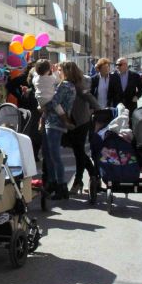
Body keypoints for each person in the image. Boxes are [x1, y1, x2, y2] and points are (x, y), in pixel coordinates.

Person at [42, 61, 81, 200]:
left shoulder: (65, 85)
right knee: (50, 155)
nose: (58, 71)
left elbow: (54, 102)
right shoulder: (70, 86)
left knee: (54, 156)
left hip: (55, 122)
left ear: (66, 71)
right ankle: (54, 182)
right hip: (55, 122)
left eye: (59, 69)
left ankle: (61, 185)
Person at [65, 74, 100, 195]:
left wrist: (98, 109)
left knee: (78, 150)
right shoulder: (65, 84)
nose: (58, 71)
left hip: (80, 121)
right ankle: (92, 174)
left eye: (60, 69)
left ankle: (80, 180)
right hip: (72, 121)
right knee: (77, 150)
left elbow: (89, 96)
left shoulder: (78, 85)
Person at [32, 59, 75, 130]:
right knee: (59, 110)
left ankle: (41, 122)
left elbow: (34, 81)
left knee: (45, 111)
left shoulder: (35, 79)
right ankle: (66, 122)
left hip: (39, 98)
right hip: (49, 98)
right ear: (48, 69)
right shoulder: (50, 78)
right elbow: (59, 80)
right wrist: (55, 71)